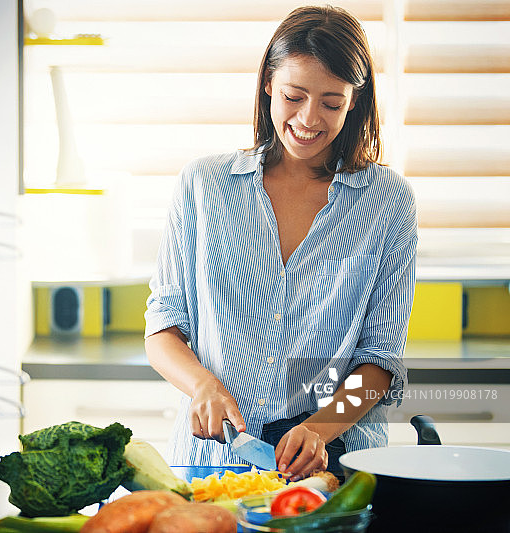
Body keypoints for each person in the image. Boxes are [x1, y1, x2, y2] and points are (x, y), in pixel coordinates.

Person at [144, 5, 416, 482]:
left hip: (333, 466)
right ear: (268, 82)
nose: (309, 119)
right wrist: (202, 385)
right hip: (214, 464)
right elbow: (164, 327)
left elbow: (380, 358)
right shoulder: (204, 186)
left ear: (355, 101)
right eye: (294, 95)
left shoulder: (388, 202)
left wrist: (319, 429)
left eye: (332, 103)